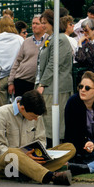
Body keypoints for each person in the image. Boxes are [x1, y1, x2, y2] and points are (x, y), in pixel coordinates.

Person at [0, 89, 76, 185]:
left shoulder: (36, 114)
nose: (36, 119)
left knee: (70, 148)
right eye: (33, 116)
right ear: (22, 108)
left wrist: (39, 155)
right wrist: (24, 156)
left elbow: (41, 140)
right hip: (5, 162)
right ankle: (51, 176)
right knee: (13, 152)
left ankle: (27, 172)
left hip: (32, 158)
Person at [36, 9, 74, 146]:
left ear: (53, 22)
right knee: (47, 120)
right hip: (49, 86)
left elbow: (54, 64)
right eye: (41, 23)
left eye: (44, 23)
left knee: (55, 121)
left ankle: (58, 149)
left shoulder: (61, 39)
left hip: (57, 87)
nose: (42, 26)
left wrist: (42, 84)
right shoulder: (50, 38)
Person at [8, 15, 48, 98]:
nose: (34, 26)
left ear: (43, 25)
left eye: (37, 23)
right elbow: (17, 61)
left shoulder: (50, 40)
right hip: (21, 81)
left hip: (39, 83)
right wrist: (11, 82)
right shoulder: (26, 41)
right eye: (33, 23)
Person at [0, 16, 25, 105]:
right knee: (17, 105)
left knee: (3, 107)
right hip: (15, 76)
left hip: (0, 77)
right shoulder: (19, 39)